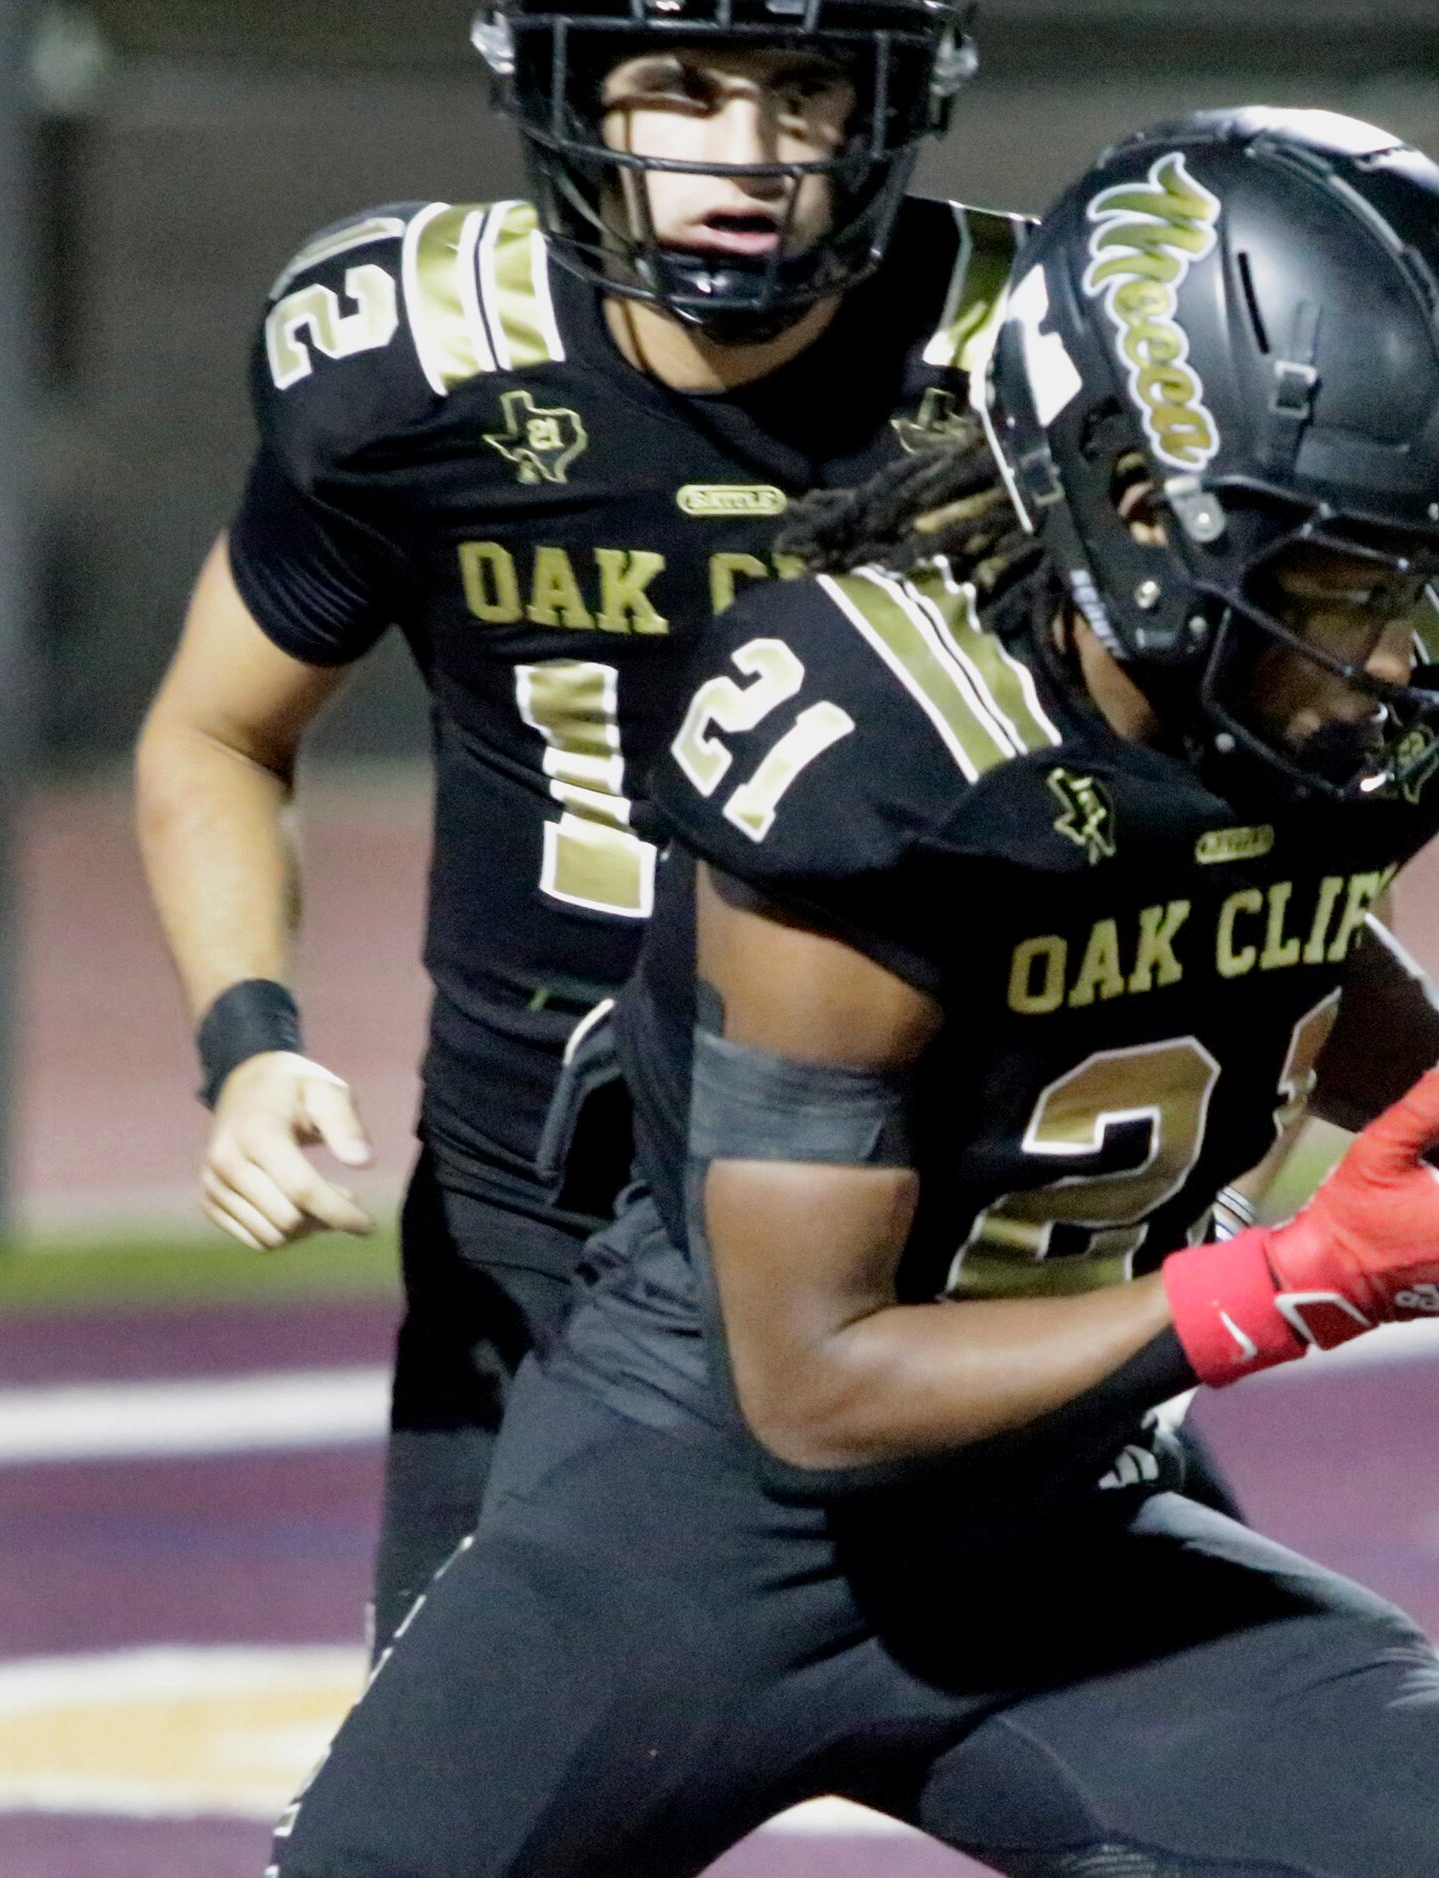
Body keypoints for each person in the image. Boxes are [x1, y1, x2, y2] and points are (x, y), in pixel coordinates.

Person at [264, 108, 1439, 1878]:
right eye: (1343, 575)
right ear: (1144, 507)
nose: (1394, 654)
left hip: (1053, 1513)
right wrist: (1299, 1278)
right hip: (702, 1520)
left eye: (1422, 574)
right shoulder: (888, 753)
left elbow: (1273, 911)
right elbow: (817, 1382)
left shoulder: (1314, 711)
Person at [132, 0, 1007, 1651]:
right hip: (538, 1215)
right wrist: (249, 1038)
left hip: (926, 1216)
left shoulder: (1017, 374)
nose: (745, 158)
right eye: (676, 89)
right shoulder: (419, 364)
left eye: (805, 91)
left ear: (891, 102)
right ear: (560, 92)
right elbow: (218, 728)